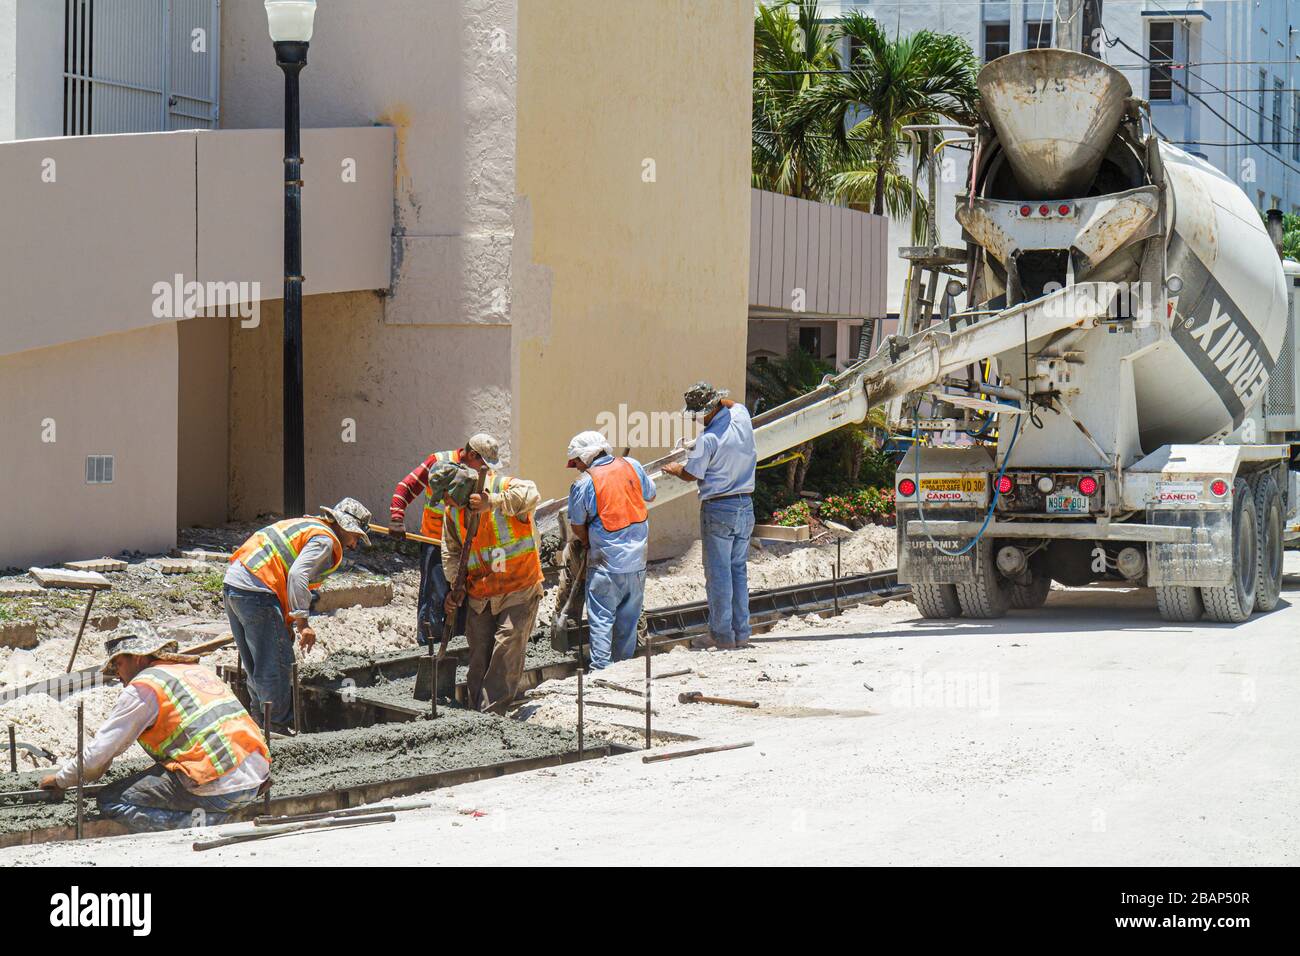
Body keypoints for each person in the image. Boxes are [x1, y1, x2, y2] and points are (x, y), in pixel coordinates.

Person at [40, 625, 269, 833]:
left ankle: (205, 825)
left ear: (138, 658)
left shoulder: (144, 687)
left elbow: (100, 753)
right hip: (256, 776)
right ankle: (221, 810)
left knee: (111, 800)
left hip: (218, 788)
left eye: (118, 664)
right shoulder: (195, 671)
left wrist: (61, 779)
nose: (117, 673)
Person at [223, 497, 372, 733]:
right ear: (343, 526)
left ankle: (258, 724)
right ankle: (276, 729)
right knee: (278, 665)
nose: (354, 545)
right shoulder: (325, 540)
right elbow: (296, 576)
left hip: (235, 585)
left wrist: (287, 621)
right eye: (355, 537)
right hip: (258, 590)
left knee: (255, 662)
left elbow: (283, 570)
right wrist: (303, 623)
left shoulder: (308, 526)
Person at [662, 381, 758, 650]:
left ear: (705, 411)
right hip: (745, 505)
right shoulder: (740, 417)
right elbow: (732, 403)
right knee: (738, 571)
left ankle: (721, 635)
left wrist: (674, 468)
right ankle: (742, 632)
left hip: (719, 508)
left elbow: (692, 474)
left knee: (719, 575)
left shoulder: (709, 439)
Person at [441, 464, 544, 713]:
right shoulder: (452, 513)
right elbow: (452, 552)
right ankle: (476, 711)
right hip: (481, 592)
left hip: (519, 587)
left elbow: (533, 494)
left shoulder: (502, 488)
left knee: (506, 648)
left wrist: (494, 502)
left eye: (447, 495)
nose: (445, 501)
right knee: (478, 655)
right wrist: (457, 584)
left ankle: (491, 716)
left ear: (463, 490)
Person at [388, 433, 500, 645]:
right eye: (483, 463)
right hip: (435, 543)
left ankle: (459, 645)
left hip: (468, 546)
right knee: (435, 597)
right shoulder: (439, 461)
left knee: (464, 598)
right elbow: (407, 486)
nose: (485, 470)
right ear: (472, 454)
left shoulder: (483, 475)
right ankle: (429, 646)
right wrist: (397, 517)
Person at [565, 431, 656, 670]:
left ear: (586, 456)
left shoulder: (584, 483)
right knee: (628, 619)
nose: (576, 467)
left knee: (601, 620)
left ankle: (601, 672)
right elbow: (651, 493)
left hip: (606, 563)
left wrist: (586, 543)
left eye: (577, 462)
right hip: (637, 562)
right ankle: (623, 669)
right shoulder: (632, 466)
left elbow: (576, 524)